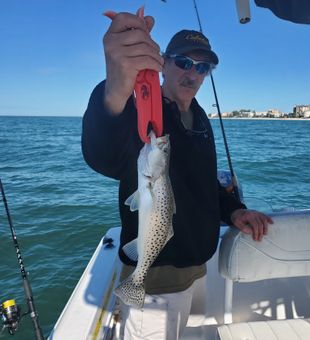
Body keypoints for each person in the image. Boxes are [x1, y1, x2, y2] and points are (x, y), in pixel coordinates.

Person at [81, 11, 273, 340]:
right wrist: (114, 89)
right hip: (157, 279)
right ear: (163, 63)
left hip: (196, 267)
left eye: (202, 67)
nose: (193, 74)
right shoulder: (141, 109)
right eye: (184, 62)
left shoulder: (199, 118)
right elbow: (105, 157)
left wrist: (234, 210)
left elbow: (204, 183)